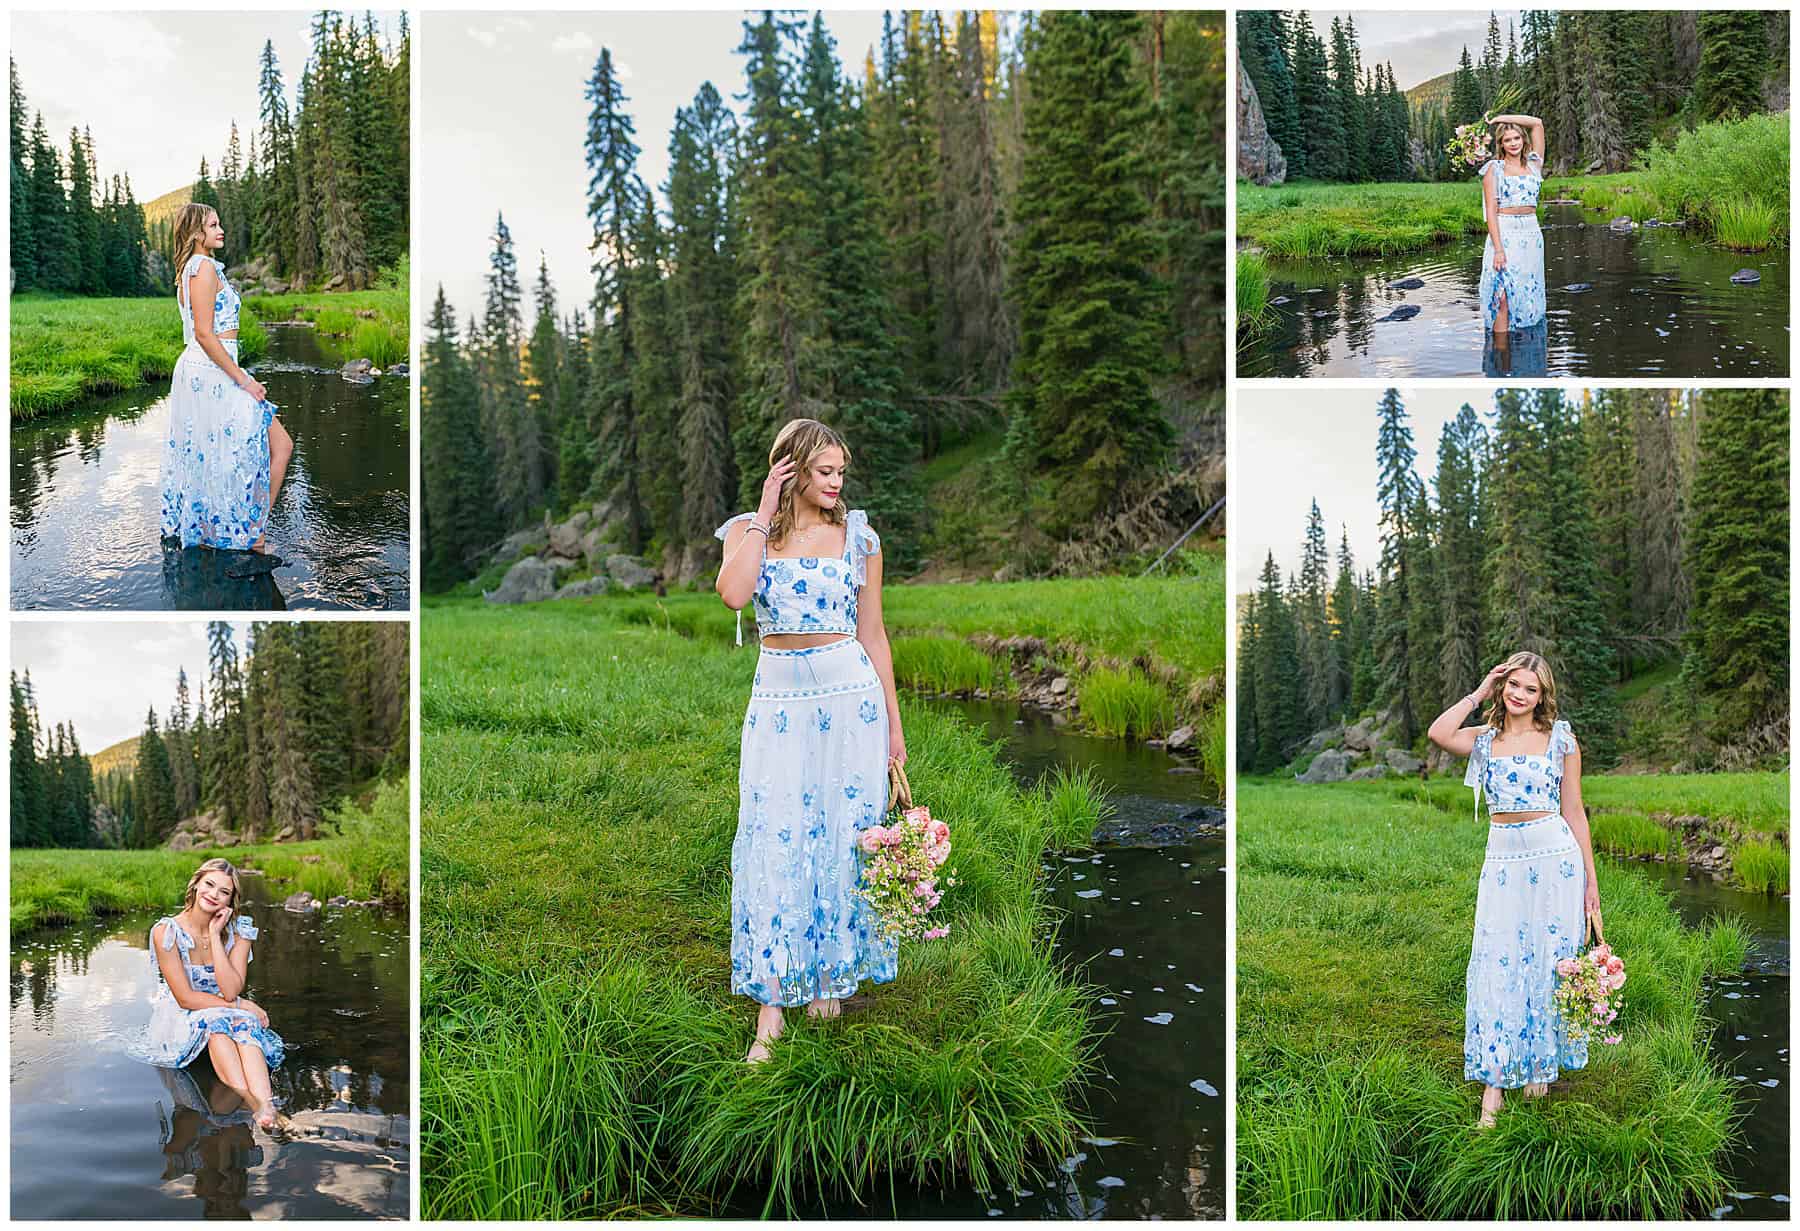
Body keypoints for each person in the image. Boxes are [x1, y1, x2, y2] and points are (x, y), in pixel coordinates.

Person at [714, 418, 906, 1064]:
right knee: (775, 828)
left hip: (849, 701)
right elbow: (733, 594)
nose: (836, 483)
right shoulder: (748, 533)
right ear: (791, 469)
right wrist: (767, 512)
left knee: (840, 829)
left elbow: (873, 635)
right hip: (778, 705)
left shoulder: (860, 539)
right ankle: (772, 1003)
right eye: (824, 471)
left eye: (840, 472)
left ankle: (828, 973)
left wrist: (894, 733)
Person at [1427, 651, 1600, 1129]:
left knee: (1548, 956)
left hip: (1554, 858)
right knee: (1499, 956)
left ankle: (1539, 1066)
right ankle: (1495, 1082)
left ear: (1542, 695)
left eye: (1530, 689)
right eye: (1513, 685)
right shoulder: (1486, 739)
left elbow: (1575, 812)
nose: (1519, 695)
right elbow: (1439, 734)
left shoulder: (1561, 741)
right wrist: (1480, 690)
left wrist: (1591, 884)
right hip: (1503, 858)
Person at [158, 202, 293, 558]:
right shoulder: (201, 268)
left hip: (210, 370)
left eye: (219, 224)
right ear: (197, 233)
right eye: (213, 225)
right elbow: (204, 333)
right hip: (212, 371)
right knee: (275, 447)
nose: (221, 230)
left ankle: (234, 533)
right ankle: (252, 536)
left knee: (221, 455)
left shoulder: (197, 267)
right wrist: (244, 381)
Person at [141, 858, 287, 1129]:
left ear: (231, 900)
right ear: (195, 885)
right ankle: (250, 1099)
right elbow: (186, 998)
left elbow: (231, 989)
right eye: (209, 884)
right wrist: (241, 1005)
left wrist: (215, 933)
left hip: (225, 1005)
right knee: (219, 1025)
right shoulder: (167, 932)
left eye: (224, 892)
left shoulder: (240, 930)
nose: (214, 895)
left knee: (244, 1027)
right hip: (185, 1010)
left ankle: (266, 1104)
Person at [1478, 115, 1548, 336]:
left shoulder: (1534, 164)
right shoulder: (1494, 169)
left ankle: (1524, 348)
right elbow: (1491, 211)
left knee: (1526, 292)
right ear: (1501, 144)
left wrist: (1500, 118)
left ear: (1523, 139)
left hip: (1531, 232)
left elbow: (1537, 123)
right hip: (1505, 232)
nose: (1514, 143)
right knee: (1503, 293)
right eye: (1508, 140)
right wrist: (1498, 249)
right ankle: (1500, 353)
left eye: (1517, 137)